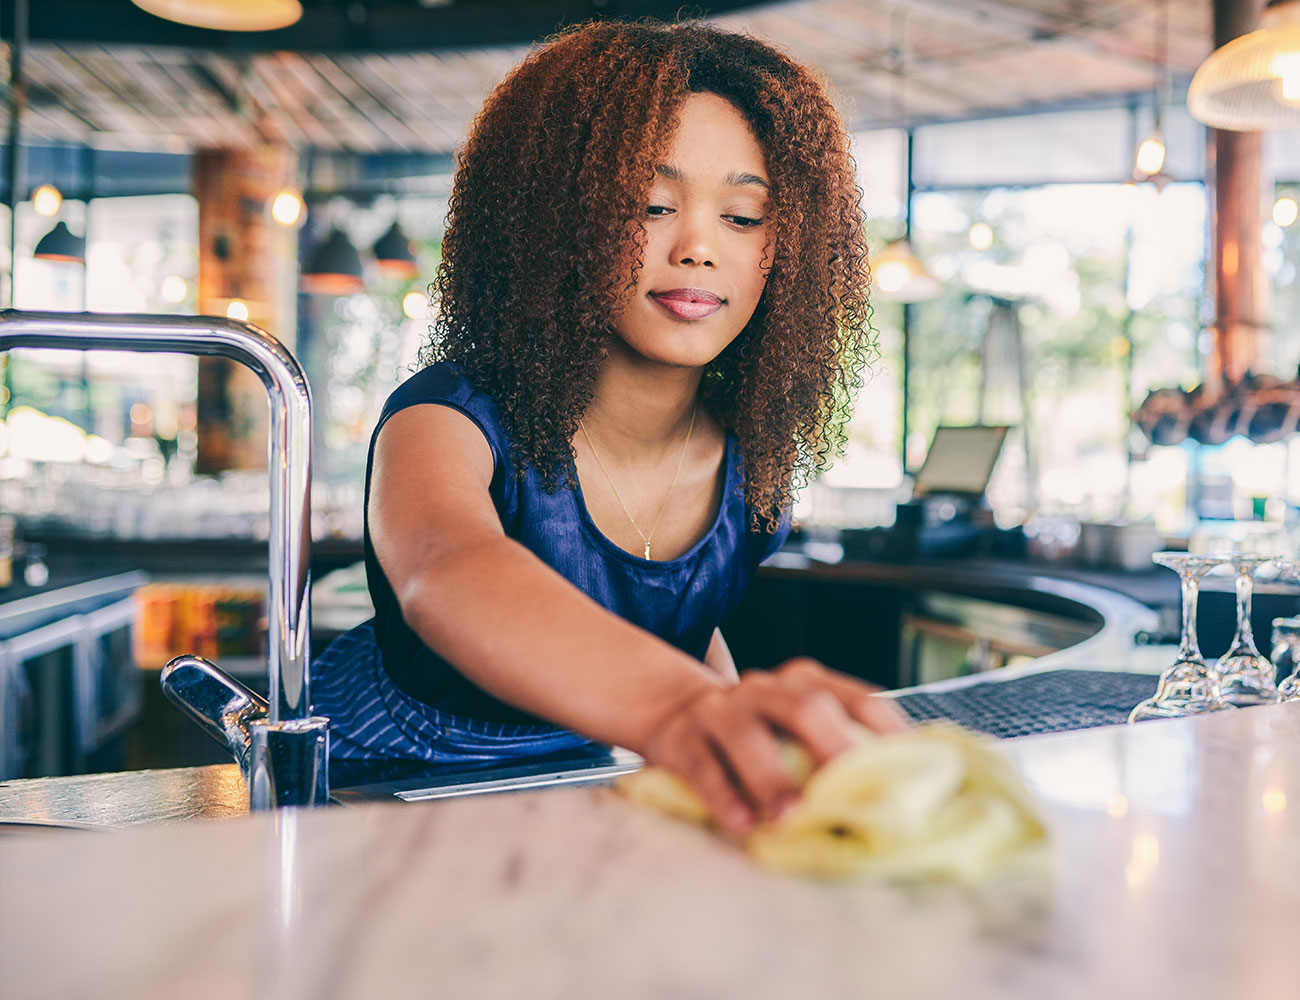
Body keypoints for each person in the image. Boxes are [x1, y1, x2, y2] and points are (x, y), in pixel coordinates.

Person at [313, 19, 908, 836]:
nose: (698, 247)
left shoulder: (755, 464)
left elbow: (685, 633)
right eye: (651, 205)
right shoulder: (445, 417)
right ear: (552, 221)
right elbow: (447, 571)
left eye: (743, 217)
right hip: (377, 799)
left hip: (586, 791)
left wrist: (734, 742)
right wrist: (678, 711)